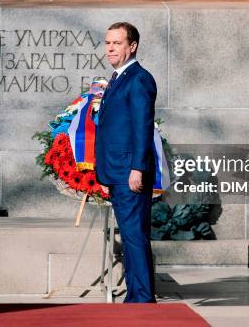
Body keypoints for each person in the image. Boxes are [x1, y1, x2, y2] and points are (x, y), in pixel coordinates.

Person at [95, 22, 157, 303]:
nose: (110, 48)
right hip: (116, 171)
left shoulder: (138, 79)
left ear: (132, 46)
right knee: (131, 238)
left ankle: (142, 298)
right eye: (108, 42)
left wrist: (137, 169)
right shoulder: (118, 78)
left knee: (134, 237)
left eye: (117, 43)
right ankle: (135, 295)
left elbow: (142, 127)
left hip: (129, 172)